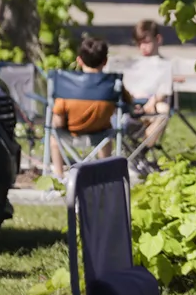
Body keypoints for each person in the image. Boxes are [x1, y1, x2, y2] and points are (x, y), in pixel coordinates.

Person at [50, 36, 124, 177]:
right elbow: (126, 103)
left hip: (69, 135)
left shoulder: (65, 85)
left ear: (79, 60)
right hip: (101, 135)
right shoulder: (112, 83)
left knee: (54, 137)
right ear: (105, 61)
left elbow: (58, 120)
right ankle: (105, 176)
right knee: (107, 138)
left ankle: (59, 177)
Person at [123, 20, 172, 150]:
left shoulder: (165, 65)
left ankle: (141, 151)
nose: (142, 47)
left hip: (152, 104)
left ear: (158, 39)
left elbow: (162, 92)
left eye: (146, 42)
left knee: (163, 110)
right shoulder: (133, 64)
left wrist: (149, 104)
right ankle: (136, 153)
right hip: (131, 104)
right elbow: (125, 88)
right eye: (139, 43)